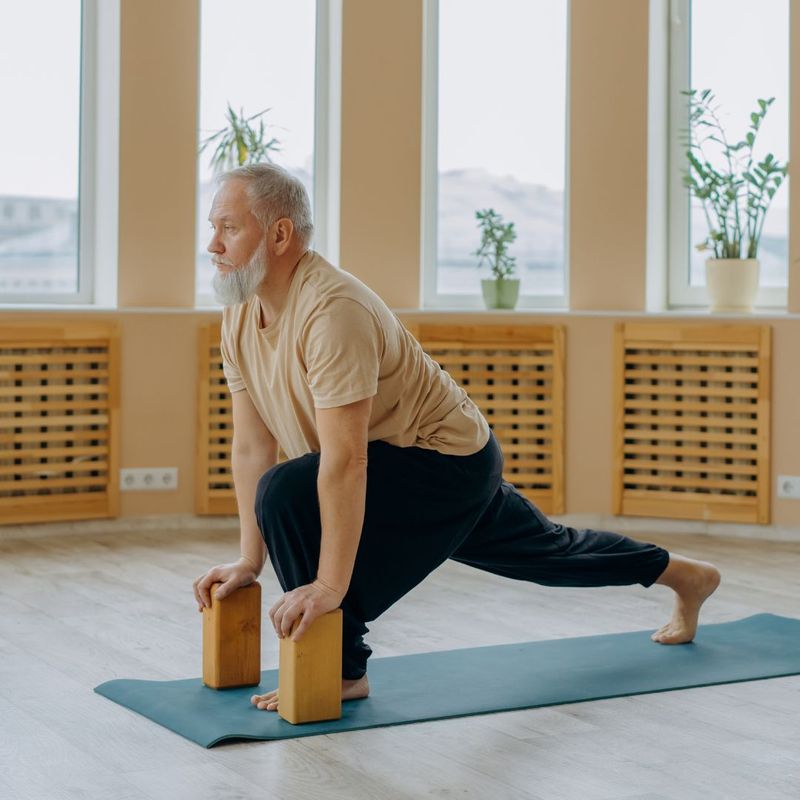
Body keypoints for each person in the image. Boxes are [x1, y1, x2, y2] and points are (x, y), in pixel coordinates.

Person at [192, 163, 721, 713]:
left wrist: (328, 588)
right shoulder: (240, 316)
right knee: (550, 551)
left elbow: (345, 463)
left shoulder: (333, 312)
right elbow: (254, 445)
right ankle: (687, 576)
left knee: (287, 493)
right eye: (213, 227)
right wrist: (249, 561)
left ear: (280, 234)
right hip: (407, 460)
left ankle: (341, 668)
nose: (213, 243)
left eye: (229, 227)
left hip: (447, 460)